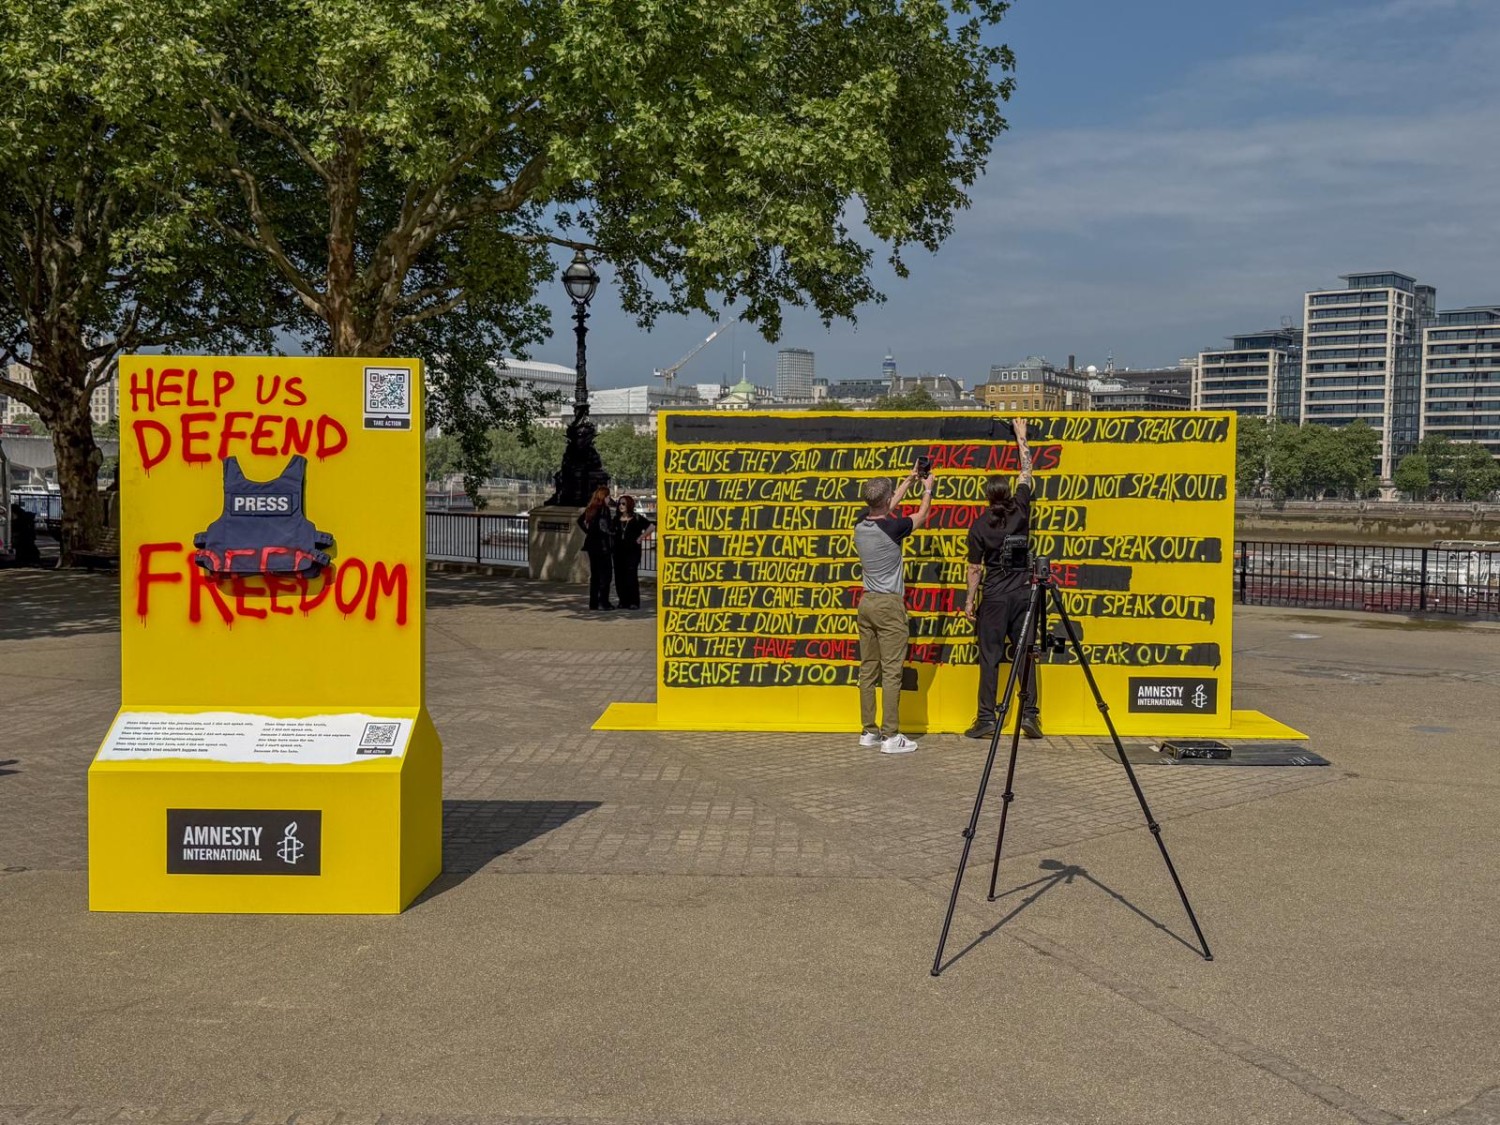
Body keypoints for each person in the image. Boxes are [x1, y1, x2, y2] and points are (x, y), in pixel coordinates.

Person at [963, 417, 1042, 740]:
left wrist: (970, 601)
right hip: (1023, 593)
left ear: (986, 497)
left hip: (994, 598)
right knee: (1024, 653)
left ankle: (986, 718)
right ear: (1008, 493)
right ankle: (1031, 715)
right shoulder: (1021, 511)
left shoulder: (979, 527)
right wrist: (1021, 437)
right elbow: (1027, 471)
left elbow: (974, 570)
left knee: (990, 658)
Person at [853, 463, 936, 754]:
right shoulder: (894, 528)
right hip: (889, 605)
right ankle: (891, 736)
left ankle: (868, 731)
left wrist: (908, 480)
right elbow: (921, 515)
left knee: (868, 669)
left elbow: (887, 506)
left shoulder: (861, 523)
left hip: (867, 603)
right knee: (891, 672)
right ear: (886, 500)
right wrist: (927, 488)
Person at [577, 484, 615, 610]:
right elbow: (604, 528)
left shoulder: (591, 508)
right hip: (602, 546)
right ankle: (603, 602)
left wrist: (589, 533)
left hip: (591, 546)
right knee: (606, 575)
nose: (609, 499)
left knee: (595, 575)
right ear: (604, 497)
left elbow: (580, 521)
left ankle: (593, 603)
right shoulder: (604, 510)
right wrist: (613, 533)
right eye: (608, 496)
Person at [612, 494, 653, 610]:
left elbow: (651, 527)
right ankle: (623, 601)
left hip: (632, 551)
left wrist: (641, 537)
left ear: (629, 505)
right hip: (618, 551)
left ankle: (634, 601)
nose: (621, 506)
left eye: (623, 504)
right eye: (619, 503)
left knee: (631, 576)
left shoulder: (637, 518)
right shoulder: (616, 519)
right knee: (619, 577)